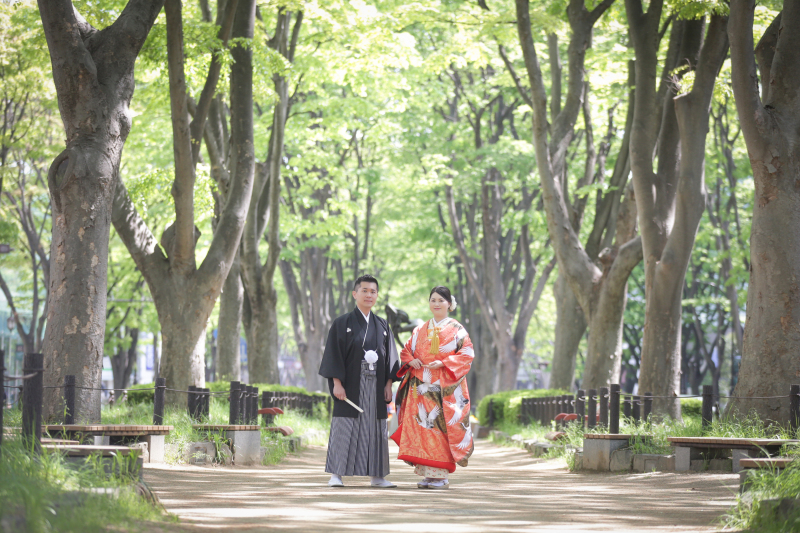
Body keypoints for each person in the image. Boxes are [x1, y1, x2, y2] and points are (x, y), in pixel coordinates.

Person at [319, 274, 399, 488]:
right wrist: (337, 383)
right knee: (345, 426)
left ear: (377, 296)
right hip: (350, 384)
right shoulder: (341, 323)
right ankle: (336, 474)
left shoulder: (382, 325)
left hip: (376, 386)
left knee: (375, 429)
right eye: (364, 290)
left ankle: (378, 476)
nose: (369, 295)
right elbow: (333, 354)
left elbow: (391, 356)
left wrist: (389, 384)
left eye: (373, 291)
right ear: (355, 294)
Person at [391, 286, 474, 489]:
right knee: (423, 429)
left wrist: (444, 363)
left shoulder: (457, 329)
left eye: (441, 300)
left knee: (440, 429)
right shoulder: (420, 329)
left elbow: (467, 354)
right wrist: (411, 361)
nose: (436, 304)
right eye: (433, 300)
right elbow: (406, 351)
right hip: (421, 387)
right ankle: (428, 474)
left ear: (449, 304)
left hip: (444, 389)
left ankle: (441, 476)